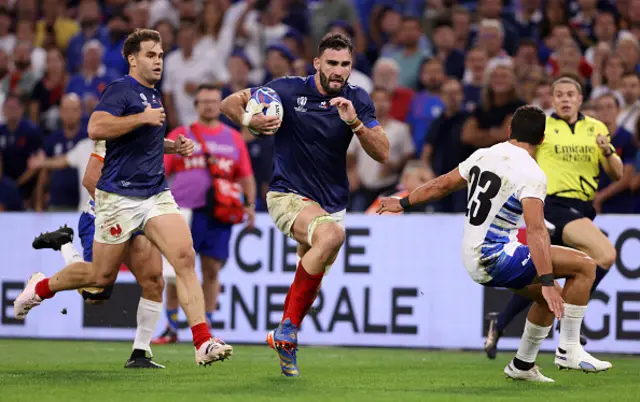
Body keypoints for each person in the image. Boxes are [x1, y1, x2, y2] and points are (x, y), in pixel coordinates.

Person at [13, 28, 232, 366]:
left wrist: (171, 146)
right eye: (150, 55)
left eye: (160, 55)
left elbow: (140, 144)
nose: (158, 61)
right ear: (132, 59)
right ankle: (42, 287)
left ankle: (201, 342)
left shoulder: (154, 95)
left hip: (155, 194)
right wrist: (142, 117)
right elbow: (96, 129)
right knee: (99, 280)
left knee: (183, 260)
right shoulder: (120, 90)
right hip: (118, 199)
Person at [377, 105, 612, 382]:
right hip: (496, 256)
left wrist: (403, 201)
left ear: (510, 131)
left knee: (549, 300)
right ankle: (570, 349)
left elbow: (441, 185)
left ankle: (522, 366)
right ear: (542, 139)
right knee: (585, 266)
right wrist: (547, 281)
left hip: (472, 255)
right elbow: (536, 230)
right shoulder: (532, 173)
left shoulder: (483, 154)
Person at [220, 32, 389, 377]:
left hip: (332, 203)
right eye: (332, 63)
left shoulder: (356, 99)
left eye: (345, 64)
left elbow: (383, 152)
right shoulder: (286, 89)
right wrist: (248, 120)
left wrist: (354, 122)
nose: (339, 70)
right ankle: (286, 330)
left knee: (309, 285)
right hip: (286, 194)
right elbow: (229, 103)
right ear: (317, 63)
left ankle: (285, 339)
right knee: (332, 237)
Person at [484, 77, 624, 359]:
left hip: (583, 209)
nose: (565, 99)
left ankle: (499, 323)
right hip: (553, 206)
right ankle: (571, 320)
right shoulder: (544, 127)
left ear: (581, 99)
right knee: (604, 255)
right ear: (552, 98)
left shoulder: (596, 128)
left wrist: (607, 150)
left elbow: (618, 173)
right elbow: (517, 155)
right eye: (559, 94)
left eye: (570, 94)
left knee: (541, 275)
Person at [30, 136, 175, 368]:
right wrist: (122, 209)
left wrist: (174, 147)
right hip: (101, 218)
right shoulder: (110, 140)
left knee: (154, 280)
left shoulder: (148, 142)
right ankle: (64, 245)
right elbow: (90, 180)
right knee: (94, 293)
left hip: (135, 219)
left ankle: (140, 354)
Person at [153, 84, 256, 344]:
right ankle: (172, 326)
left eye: (214, 101)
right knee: (177, 271)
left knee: (211, 270)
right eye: (204, 101)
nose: (209, 105)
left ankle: (206, 323)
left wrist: (251, 205)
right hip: (182, 212)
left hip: (219, 213)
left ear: (220, 105)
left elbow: (245, 175)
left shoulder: (234, 138)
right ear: (196, 105)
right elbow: (160, 171)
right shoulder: (180, 135)